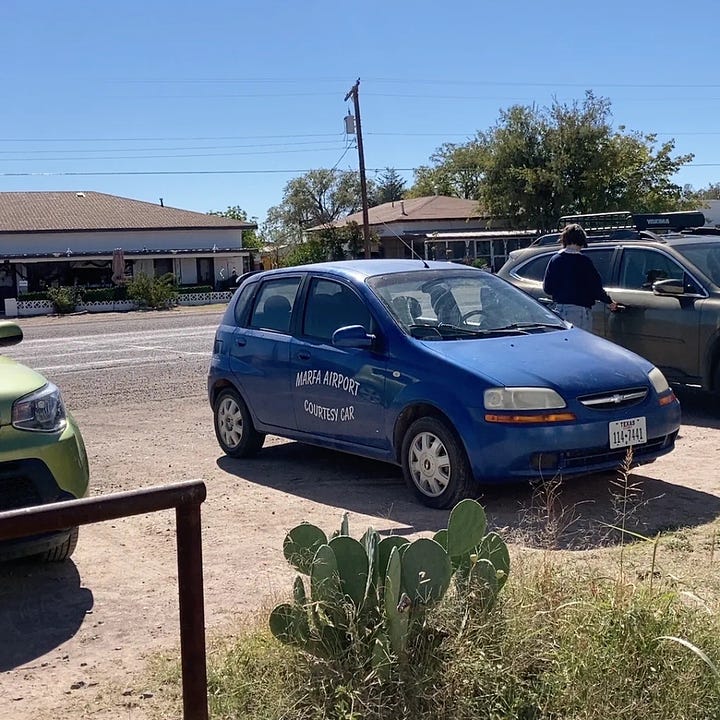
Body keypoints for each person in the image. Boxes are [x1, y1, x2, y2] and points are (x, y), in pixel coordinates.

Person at [542, 223, 618, 331]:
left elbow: (547, 288)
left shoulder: (555, 260)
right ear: (582, 241)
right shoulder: (584, 262)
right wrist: (609, 302)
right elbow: (595, 288)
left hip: (560, 310)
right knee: (580, 344)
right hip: (580, 311)